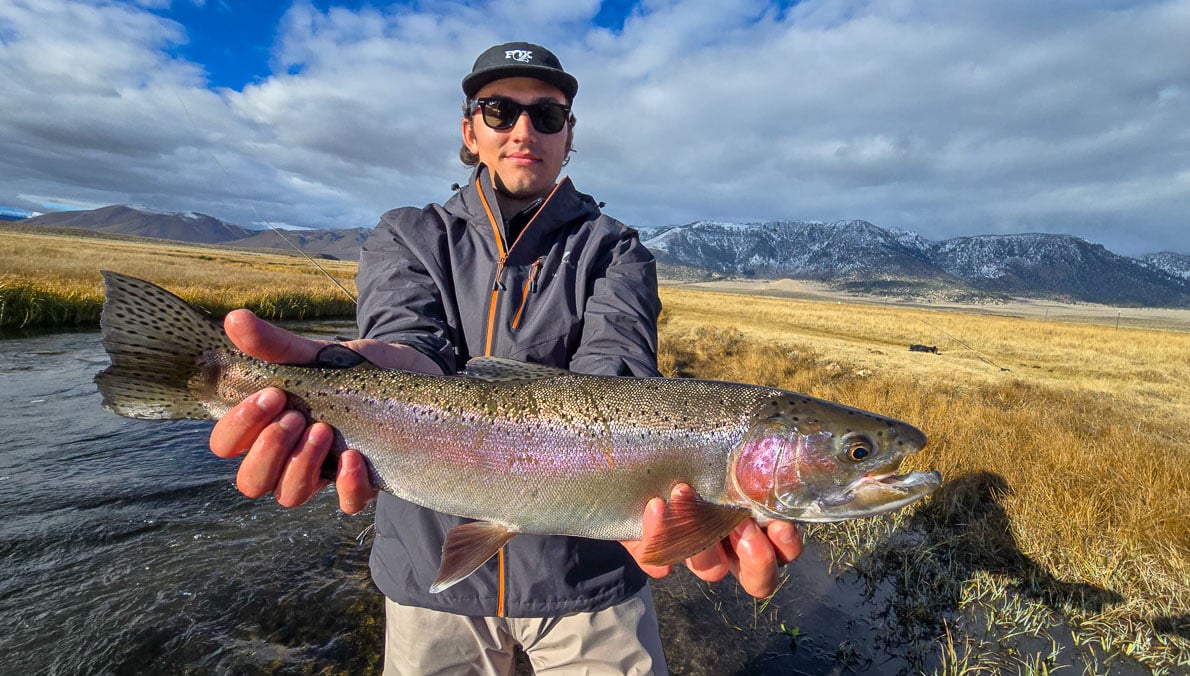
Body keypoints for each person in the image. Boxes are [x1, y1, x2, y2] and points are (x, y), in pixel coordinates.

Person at [208, 41, 802, 674]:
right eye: (500, 111)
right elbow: (410, 342)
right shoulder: (408, 234)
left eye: (547, 115)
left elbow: (617, 377)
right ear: (470, 128)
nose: (524, 130)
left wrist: (663, 484)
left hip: (587, 582)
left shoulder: (616, 251)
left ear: (570, 134)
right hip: (427, 574)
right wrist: (378, 369)